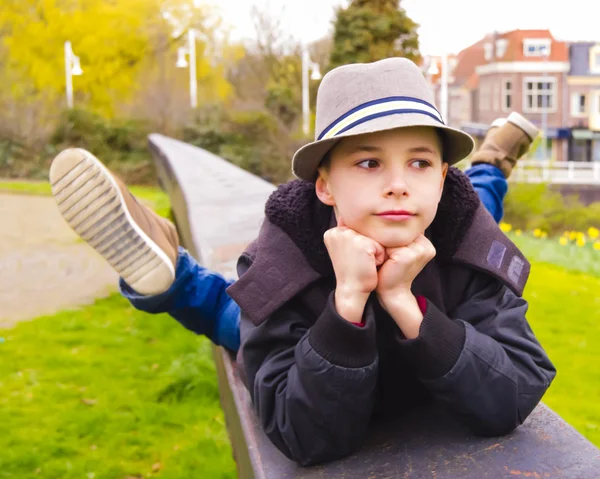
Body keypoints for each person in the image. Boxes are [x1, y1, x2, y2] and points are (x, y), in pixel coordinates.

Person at [50, 57, 553, 467]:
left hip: (443, 236)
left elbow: (516, 387)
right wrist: (346, 306)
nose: (399, 182)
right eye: (369, 162)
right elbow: (301, 433)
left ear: (442, 177)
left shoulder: (459, 226)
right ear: (325, 184)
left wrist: (406, 303)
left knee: (481, 194)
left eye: (419, 161)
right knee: (236, 320)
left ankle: (489, 159)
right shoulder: (287, 247)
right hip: (314, 316)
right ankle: (175, 275)